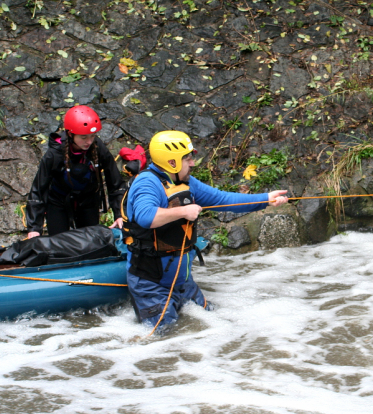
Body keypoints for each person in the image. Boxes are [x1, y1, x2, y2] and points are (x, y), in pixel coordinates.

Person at [122, 130, 288, 332]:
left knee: (214, 325)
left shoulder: (185, 182)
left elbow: (222, 199)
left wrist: (265, 199)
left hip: (182, 281)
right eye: (188, 158)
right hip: (150, 285)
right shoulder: (147, 183)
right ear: (172, 162)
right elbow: (146, 216)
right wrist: (183, 211)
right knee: (164, 337)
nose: (192, 163)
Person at [26, 105, 125, 238]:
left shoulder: (97, 147)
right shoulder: (54, 154)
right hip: (58, 202)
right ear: (70, 134)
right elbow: (38, 190)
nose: (89, 141)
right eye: (84, 137)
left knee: (91, 243)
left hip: (88, 201)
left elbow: (115, 183)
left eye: (92, 136)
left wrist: (120, 215)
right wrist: (34, 227)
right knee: (59, 244)